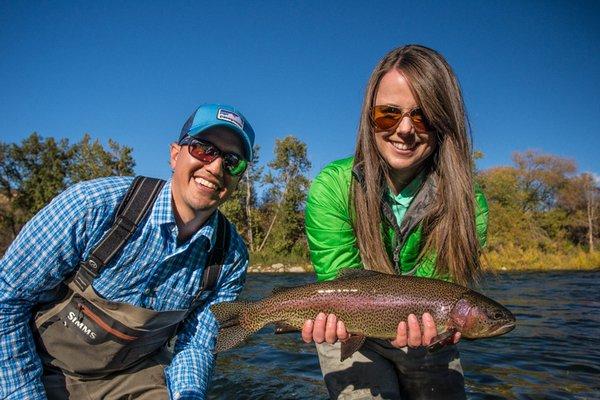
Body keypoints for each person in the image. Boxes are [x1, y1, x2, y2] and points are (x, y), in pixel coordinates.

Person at [0, 103, 255, 399]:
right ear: (175, 154)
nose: (214, 167)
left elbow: (196, 345)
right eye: (203, 149)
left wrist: (188, 394)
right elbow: (7, 299)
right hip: (40, 366)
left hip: (132, 377)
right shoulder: (92, 206)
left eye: (232, 161)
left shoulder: (230, 258)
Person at [302, 45, 489, 399]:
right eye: (389, 114)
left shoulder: (469, 204)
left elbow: (441, 292)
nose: (404, 129)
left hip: (427, 337)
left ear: (443, 121)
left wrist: (428, 325)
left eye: (423, 116)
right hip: (348, 329)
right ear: (369, 117)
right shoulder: (333, 186)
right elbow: (340, 280)